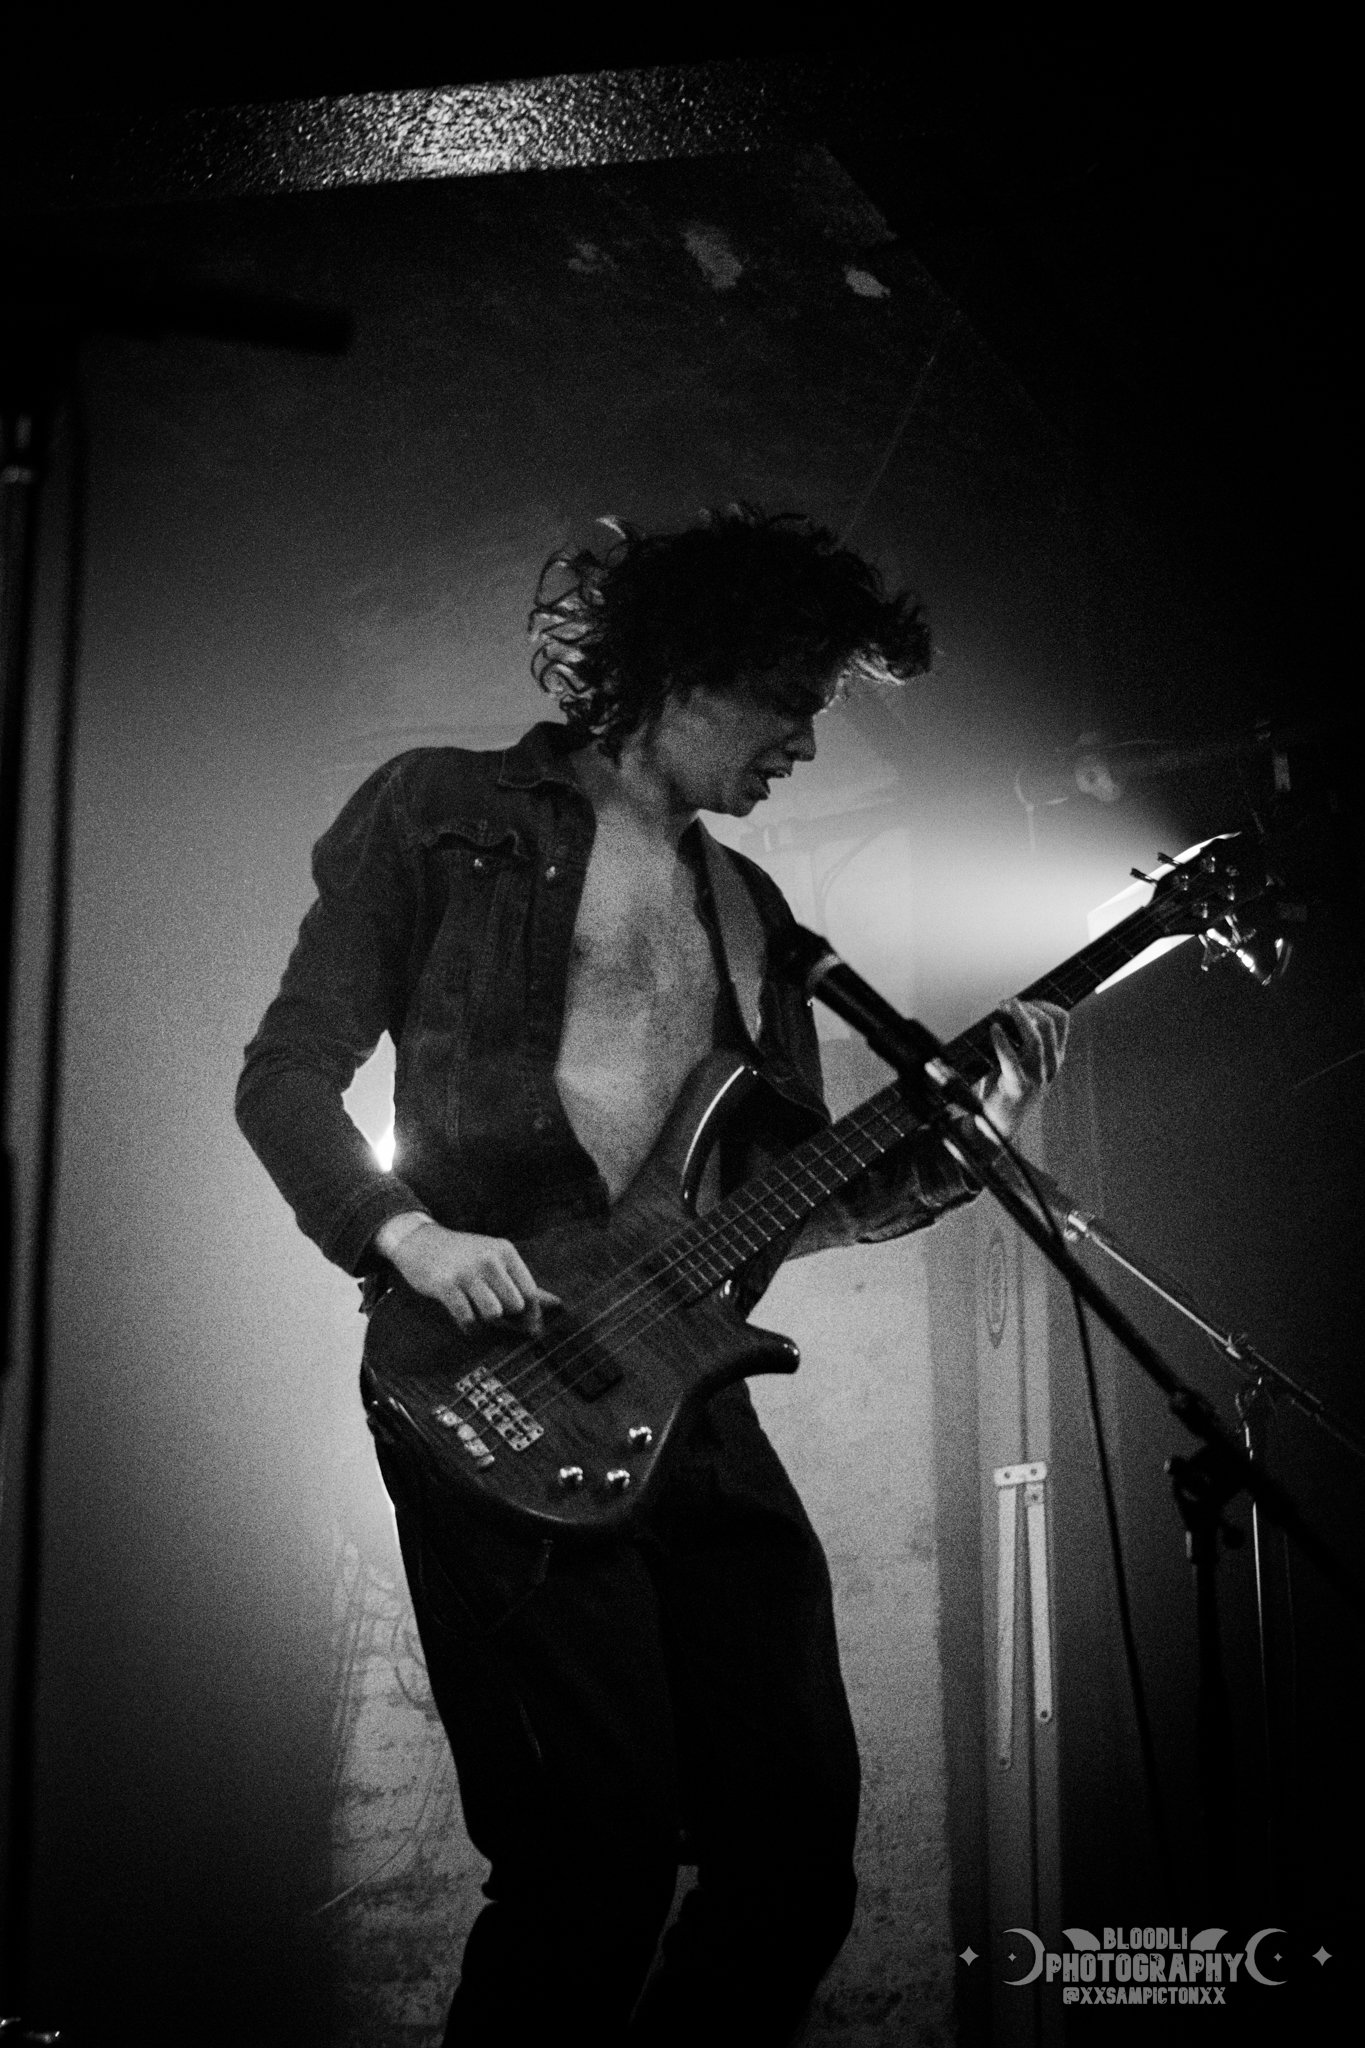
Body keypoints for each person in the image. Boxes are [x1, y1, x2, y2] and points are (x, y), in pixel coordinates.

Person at [236, 507, 1067, 2045]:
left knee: (792, 1864)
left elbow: (787, 1201)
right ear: (692, 669)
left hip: (685, 1398)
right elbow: (284, 1075)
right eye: (790, 701)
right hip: (484, 1373)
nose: (804, 743)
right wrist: (403, 1233)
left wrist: (960, 1147)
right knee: (588, 1872)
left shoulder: (756, 915)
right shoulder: (441, 809)